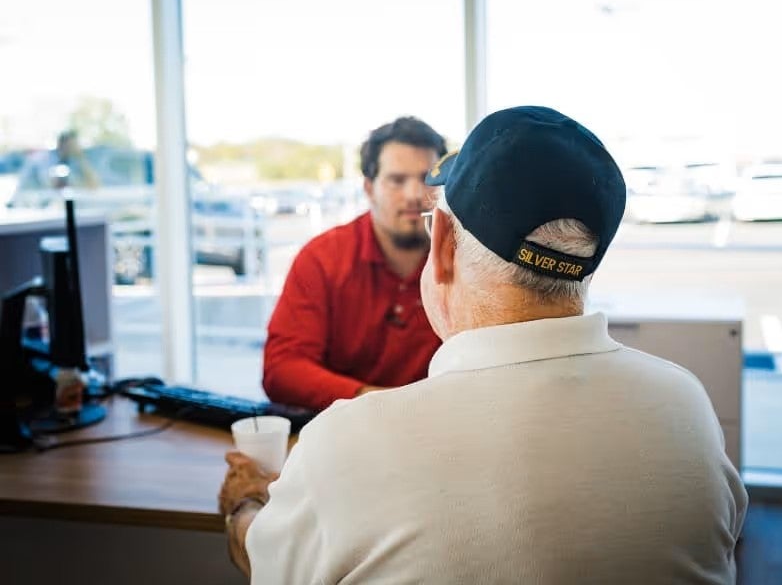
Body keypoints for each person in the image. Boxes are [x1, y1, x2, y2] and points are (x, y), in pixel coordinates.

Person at [220, 106, 748, 583]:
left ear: (442, 241)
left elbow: (273, 565)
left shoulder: (346, 442)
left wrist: (245, 507)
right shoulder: (687, 408)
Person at [262, 117, 448, 410]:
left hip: (441, 429)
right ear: (369, 188)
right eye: (397, 180)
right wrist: (374, 403)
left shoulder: (465, 260)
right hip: (340, 431)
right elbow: (281, 370)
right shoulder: (323, 259)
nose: (414, 195)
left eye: (426, 180)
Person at [14, 130, 99, 202]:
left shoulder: (72, 160)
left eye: (75, 145)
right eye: (71, 145)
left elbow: (94, 185)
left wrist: (81, 158)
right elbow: (53, 185)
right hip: (27, 202)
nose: (73, 148)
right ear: (61, 144)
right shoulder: (44, 159)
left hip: (48, 203)